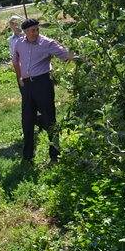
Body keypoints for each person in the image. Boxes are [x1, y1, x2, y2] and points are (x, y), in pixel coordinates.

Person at [12, 18, 75, 163]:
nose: (35, 33)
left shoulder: (47, 43)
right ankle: (27, 156)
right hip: (27, 85)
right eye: (32, 30)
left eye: (37, 29)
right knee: (27, 119)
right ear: (25, 32)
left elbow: (65, 55)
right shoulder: (19, 43)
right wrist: (20, 77)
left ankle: (55, 155)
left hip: (42, 83)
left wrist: (78, 54)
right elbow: (15, 61)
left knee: (49, 117)